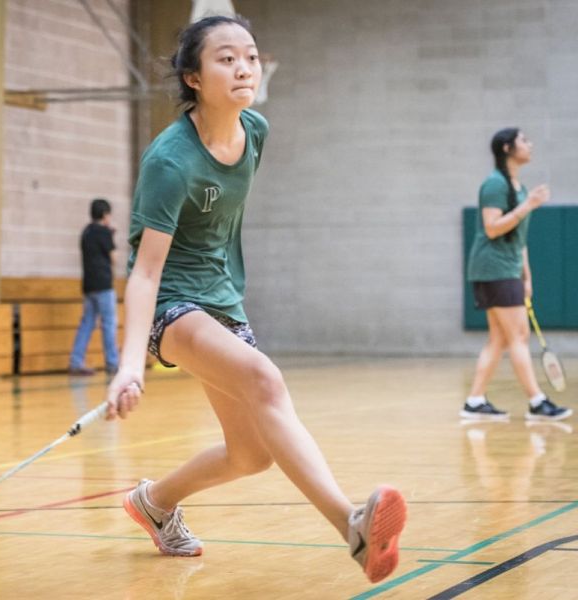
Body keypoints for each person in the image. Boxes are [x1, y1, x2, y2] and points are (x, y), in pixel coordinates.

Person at [103, 15, 407, 584]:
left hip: (223, 301)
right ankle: (353, 526)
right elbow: (145, 273)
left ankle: (153, 501)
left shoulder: (256, 132)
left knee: (251, 454)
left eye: (250, 54)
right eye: (225, 58)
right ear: (193, 77)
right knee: (265, 380)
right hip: (173, 303)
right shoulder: (170, 162)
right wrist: (128, 365)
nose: (244, 67)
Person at [462, 129, 572, 422]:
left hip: (507, 269)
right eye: (524, 140)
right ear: (508, 148)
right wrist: (529, 205)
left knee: (499, 338)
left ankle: (474, 401)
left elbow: (519, 239)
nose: (530, 144)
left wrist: (527, 275)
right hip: (493, 268)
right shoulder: (495, 185)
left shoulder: (517, 186)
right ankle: (537, 402)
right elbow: (492, 228)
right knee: (519, 336)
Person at [68, 198, 119, 376]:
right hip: (104, 284)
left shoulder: (86, 232)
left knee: (87, 323)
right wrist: (110, 236)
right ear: (105, 215)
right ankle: (112, 363)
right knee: (109, 324)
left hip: (89, 285)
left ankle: (76, 361)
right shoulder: (104, 233)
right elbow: (114, 259)